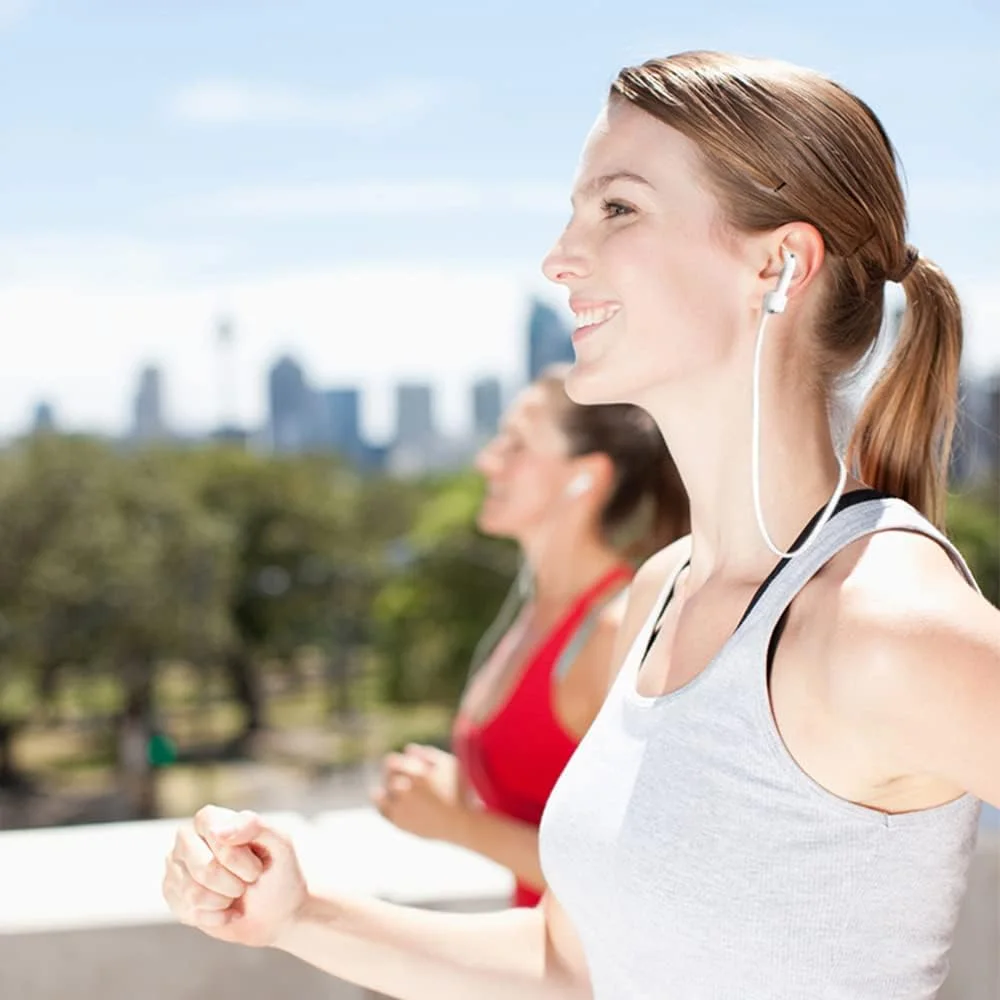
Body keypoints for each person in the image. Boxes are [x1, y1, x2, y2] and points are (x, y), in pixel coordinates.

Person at [161, 51, 1000, 1000]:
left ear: (779, 263)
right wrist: (303, 915)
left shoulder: (880, 623)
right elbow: (573, 968)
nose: (560, 256)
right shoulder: (661, 594)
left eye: (619, 208)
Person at [371, 365, 689, 908]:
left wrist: (459, 824)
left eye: (515, 444)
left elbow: (638, 875)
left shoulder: (613, 633)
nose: (486, 460)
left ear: (585, 475)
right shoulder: (532, 614)